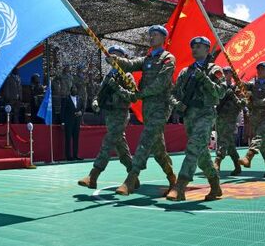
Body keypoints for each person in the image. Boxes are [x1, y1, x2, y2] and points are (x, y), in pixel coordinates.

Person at [108, 25, 176, 197]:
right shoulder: (146, 59)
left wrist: (139, 94)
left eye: (155, 35)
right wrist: (116, 60)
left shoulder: (168, 58)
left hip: (161, 108)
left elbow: (161, 83)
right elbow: (130, 64)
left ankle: (131, 179)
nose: (151, 37)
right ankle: (172, 178)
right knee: (158, 149)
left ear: (164, 38)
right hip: (148, 108)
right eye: (150, 35)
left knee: (146, 139)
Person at [165, 36, 226, 201]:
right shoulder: (186, 71)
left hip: (205, 114)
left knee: (192, 148)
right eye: (193, 46)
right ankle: (215, 185)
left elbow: (220, 93)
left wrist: (205, 79)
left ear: (207, 50)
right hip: (189, 116)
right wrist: (178, 105)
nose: (195, 49)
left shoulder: (215, 70)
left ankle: (180, 186)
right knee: (201, 156)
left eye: (199, 46)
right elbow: (172, 93)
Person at [78, 46, 137, 188]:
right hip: (109, 114)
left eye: (116, 56)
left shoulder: (126, 75)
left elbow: (133, 97)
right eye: (111, 56)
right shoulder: (108, 75)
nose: (113, 59)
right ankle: (133, 175)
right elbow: (99, 94)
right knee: (120, 147)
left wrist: (117, 87)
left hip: (121, 113)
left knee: (108, 141)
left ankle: (93, 175)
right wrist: (95, 102)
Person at [239, 62, 265, 177]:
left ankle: (248, 157)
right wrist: (237, 79)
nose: (260, 71)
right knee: (263, 146)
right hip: (255, 117)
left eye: (263, 69)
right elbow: (242, 86)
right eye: (259, 69)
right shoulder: (253, 84)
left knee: (259, 137)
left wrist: (260, 102)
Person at [214, 66, 244, 175]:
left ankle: (217, 161)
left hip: (231, 118)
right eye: (224, 72)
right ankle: (237, 165)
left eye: (228, 72)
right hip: (220, 117)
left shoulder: (236, 88)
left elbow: (241, 103)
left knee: (223, 140)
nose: (226, 74)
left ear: (232, 74)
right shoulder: (219, 86)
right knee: (229, 143)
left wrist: (237, 96)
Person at [60, 82, 83, 161]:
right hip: (68, 122)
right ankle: (69, 156)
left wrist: (81, 112)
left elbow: (82, 108)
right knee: (68, 139)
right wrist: (62, 122)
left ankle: (75, 155)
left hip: (77, 122)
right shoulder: (66, 99)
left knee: (76, 139)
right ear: (70, 90)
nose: (74, 90)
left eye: (75, 88)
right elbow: (62, 111)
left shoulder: (79, 99)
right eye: (73, 88)